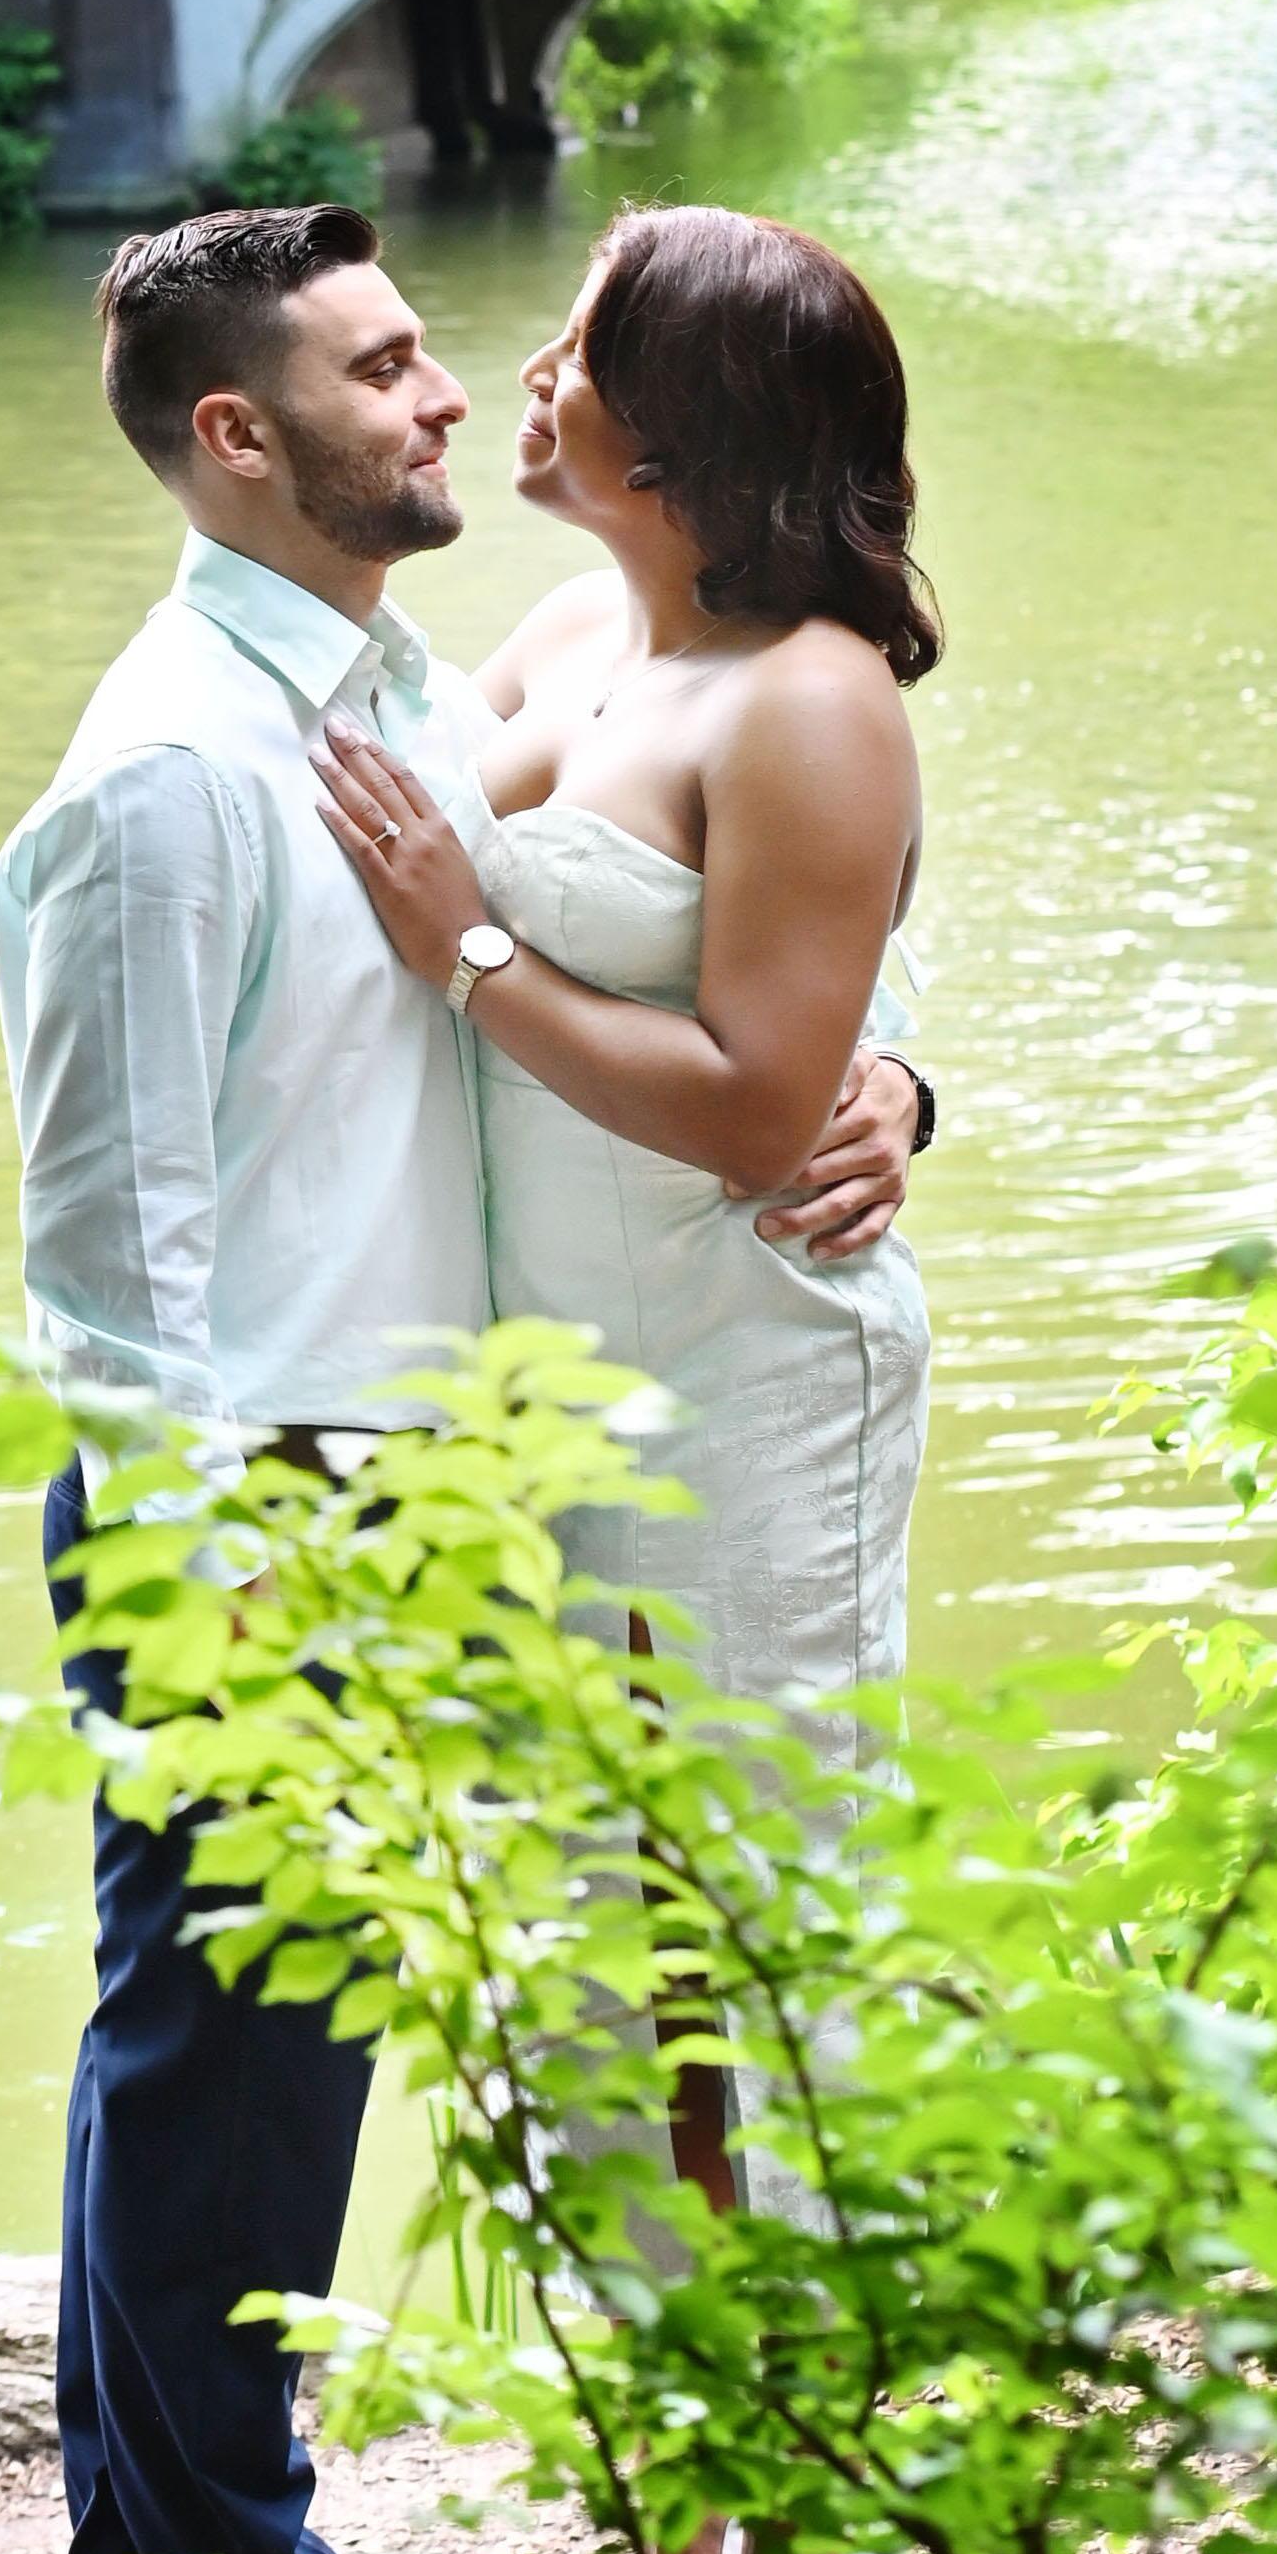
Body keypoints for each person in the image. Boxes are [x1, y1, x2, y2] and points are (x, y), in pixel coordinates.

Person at [0, 201, 926, 2554]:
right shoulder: (182, 772)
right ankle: (202, 2539)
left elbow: (732, 975)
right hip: (260, 1485)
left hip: (528, 1441)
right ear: (238, 434)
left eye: (500, 354)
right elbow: (116, 1253)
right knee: (232, 2053)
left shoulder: (397, 682)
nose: (461, 387)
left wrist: (893, 1087)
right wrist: (189, 1576)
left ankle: (724, 2480)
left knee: (491, 2006)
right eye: (390, 362)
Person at [308, 204, 938, 1718]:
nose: (527, 371)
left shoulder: (807, 696)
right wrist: (904, 1068)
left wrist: (469, 954)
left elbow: (761, 1111)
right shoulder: (576, 627)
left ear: (677, 429)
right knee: (586, 1906)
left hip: (743, 1356)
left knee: (747, 1873)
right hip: (545, 1359)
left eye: (582, 346)